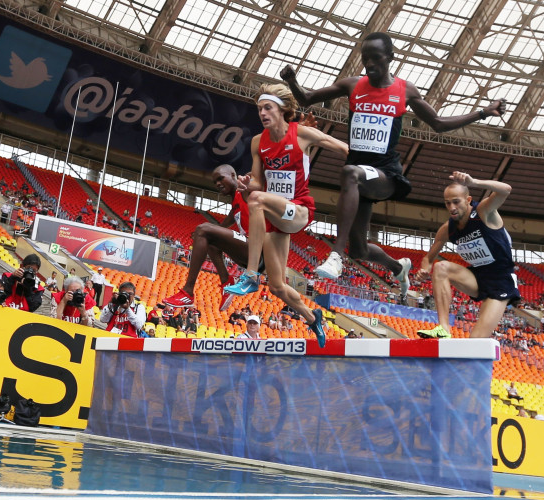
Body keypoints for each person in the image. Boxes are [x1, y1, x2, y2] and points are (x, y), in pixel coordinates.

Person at [280, 32, 506, 299]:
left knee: (349, 173)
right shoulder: (352, 85)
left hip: (385, 175)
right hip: (361, 178)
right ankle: (398, 267)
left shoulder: (404, 90)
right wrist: (291, 80)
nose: (370, 65)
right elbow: (306, 98)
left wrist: (482, 112)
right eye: (365, 59)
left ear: (390, 58)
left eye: (376, 58)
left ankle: (335, 256)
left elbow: (438, 124)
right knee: (361, 250)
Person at [223, 84, 348, 348]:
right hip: (273, 213)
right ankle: (313, 318)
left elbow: (344, 148)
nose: (262, 113)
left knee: (257, 201)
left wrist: (365, 171)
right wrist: (247, 183)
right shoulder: (258, 142)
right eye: (259, 109)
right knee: (278, 286)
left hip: (299, 209)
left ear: (283, 110)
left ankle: (249, 275)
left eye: (268, 107)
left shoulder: (301, 134)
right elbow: (258, 182)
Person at [415, 171, 519, 339]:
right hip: (477, 277)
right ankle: (443, 329)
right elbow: (428, 258)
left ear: (468, 200)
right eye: (447, 203)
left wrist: (474, 182)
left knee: (475, 341)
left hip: (501, 281)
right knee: (440, 267)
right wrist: (424, 269)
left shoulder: (484, 212)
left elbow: (505, 190)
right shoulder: (447, 229)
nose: (452, 208)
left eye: (456, 202)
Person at [162, 165, 254, 312]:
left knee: (203, 229)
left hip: (257, 250)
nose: (217, 183)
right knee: (209, 240)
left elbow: (260, 172)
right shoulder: (235, 201)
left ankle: (187, 292)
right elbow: (225, 224)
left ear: (233, 175)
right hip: (247, 255)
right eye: (215, 182)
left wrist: (252, 174)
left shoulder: (245, 189)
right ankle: (226, 282)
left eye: (220, 178)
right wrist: (203, 236)